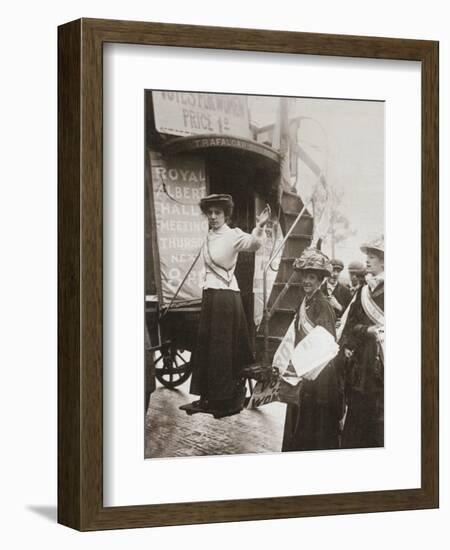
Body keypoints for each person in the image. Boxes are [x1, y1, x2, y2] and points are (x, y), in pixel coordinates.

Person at [188, 194, 271, 415]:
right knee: (208, 349)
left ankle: (224, 399)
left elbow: (253, 244)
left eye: (218, 213)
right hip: (211, 295)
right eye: (210, 213)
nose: (213, 217)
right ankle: (208, 397)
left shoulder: (233, 235)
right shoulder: (208, 236)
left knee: (222, 350)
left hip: (225, 298)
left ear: (226, 215)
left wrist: (260, 227)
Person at [282, 248, 342, 451]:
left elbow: (325, 343)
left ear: (320, 281)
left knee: (315, 425)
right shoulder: (305, 302)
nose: (307, 281)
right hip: (304, 370)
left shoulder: (323, 305)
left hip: (320, 375)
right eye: (304, 276)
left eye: (312, 277)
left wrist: (303, 365)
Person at [338, 236, 384, 449]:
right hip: (362, 361)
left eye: (372, 257)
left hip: (382, 362)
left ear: (384, 262)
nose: (367, 261)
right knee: (358, 406)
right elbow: (350, 326)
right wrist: (367, 331)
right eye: (367, 257)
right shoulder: (363, 291)